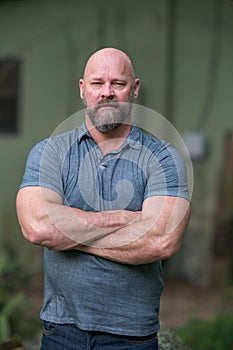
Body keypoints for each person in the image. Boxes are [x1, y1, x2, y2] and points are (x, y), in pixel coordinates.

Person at [16, 47, 190, 350]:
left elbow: (162, 240)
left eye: (117, 84)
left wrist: (68, 233)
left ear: (134, 89)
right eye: (97, 83)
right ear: (83, 90)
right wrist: (127, 219)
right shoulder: (49, 153)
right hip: (61, 331)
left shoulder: (163, 158)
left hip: (131, 335)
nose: (106, 92)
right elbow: (38, 228)